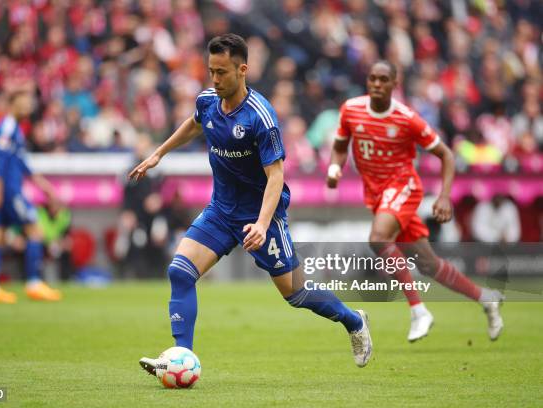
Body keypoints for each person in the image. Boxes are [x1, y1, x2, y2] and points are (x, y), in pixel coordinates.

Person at [133, 34, 372, 374]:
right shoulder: (207, 101)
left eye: (222, 72)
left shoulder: (261, 117)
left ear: (242, 70)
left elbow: (275, 176)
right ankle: (180, 358)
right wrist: (159, 152)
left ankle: (353, 321)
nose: (214, 80)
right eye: (211, 71)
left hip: (262, 217)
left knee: (295, 293)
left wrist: (261, 224)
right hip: (220, 211)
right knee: (180, 271)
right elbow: (194, 124)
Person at [327, 61, 504, 342]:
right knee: (428, 264)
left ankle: (418, 310)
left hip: (403, 186)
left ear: (394, 84)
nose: (376, 84)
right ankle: (486, 298)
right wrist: (334, 169)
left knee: (378, 238)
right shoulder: (351, 109)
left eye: (383, 79)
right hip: (377, 194)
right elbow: (339, 146)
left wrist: (444, 196)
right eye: (372, 78)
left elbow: (446, 154)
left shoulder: (407, 118)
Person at [0, 90, 62, 303]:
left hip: (9, 188)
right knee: (35, 230)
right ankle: (34, 283)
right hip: (10, 190)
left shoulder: (17, 128)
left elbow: (22, 163)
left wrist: (44, 185)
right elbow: (1, 161)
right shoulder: (7, 127)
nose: (28, 105)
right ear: (12, 103)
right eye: (23, 101)